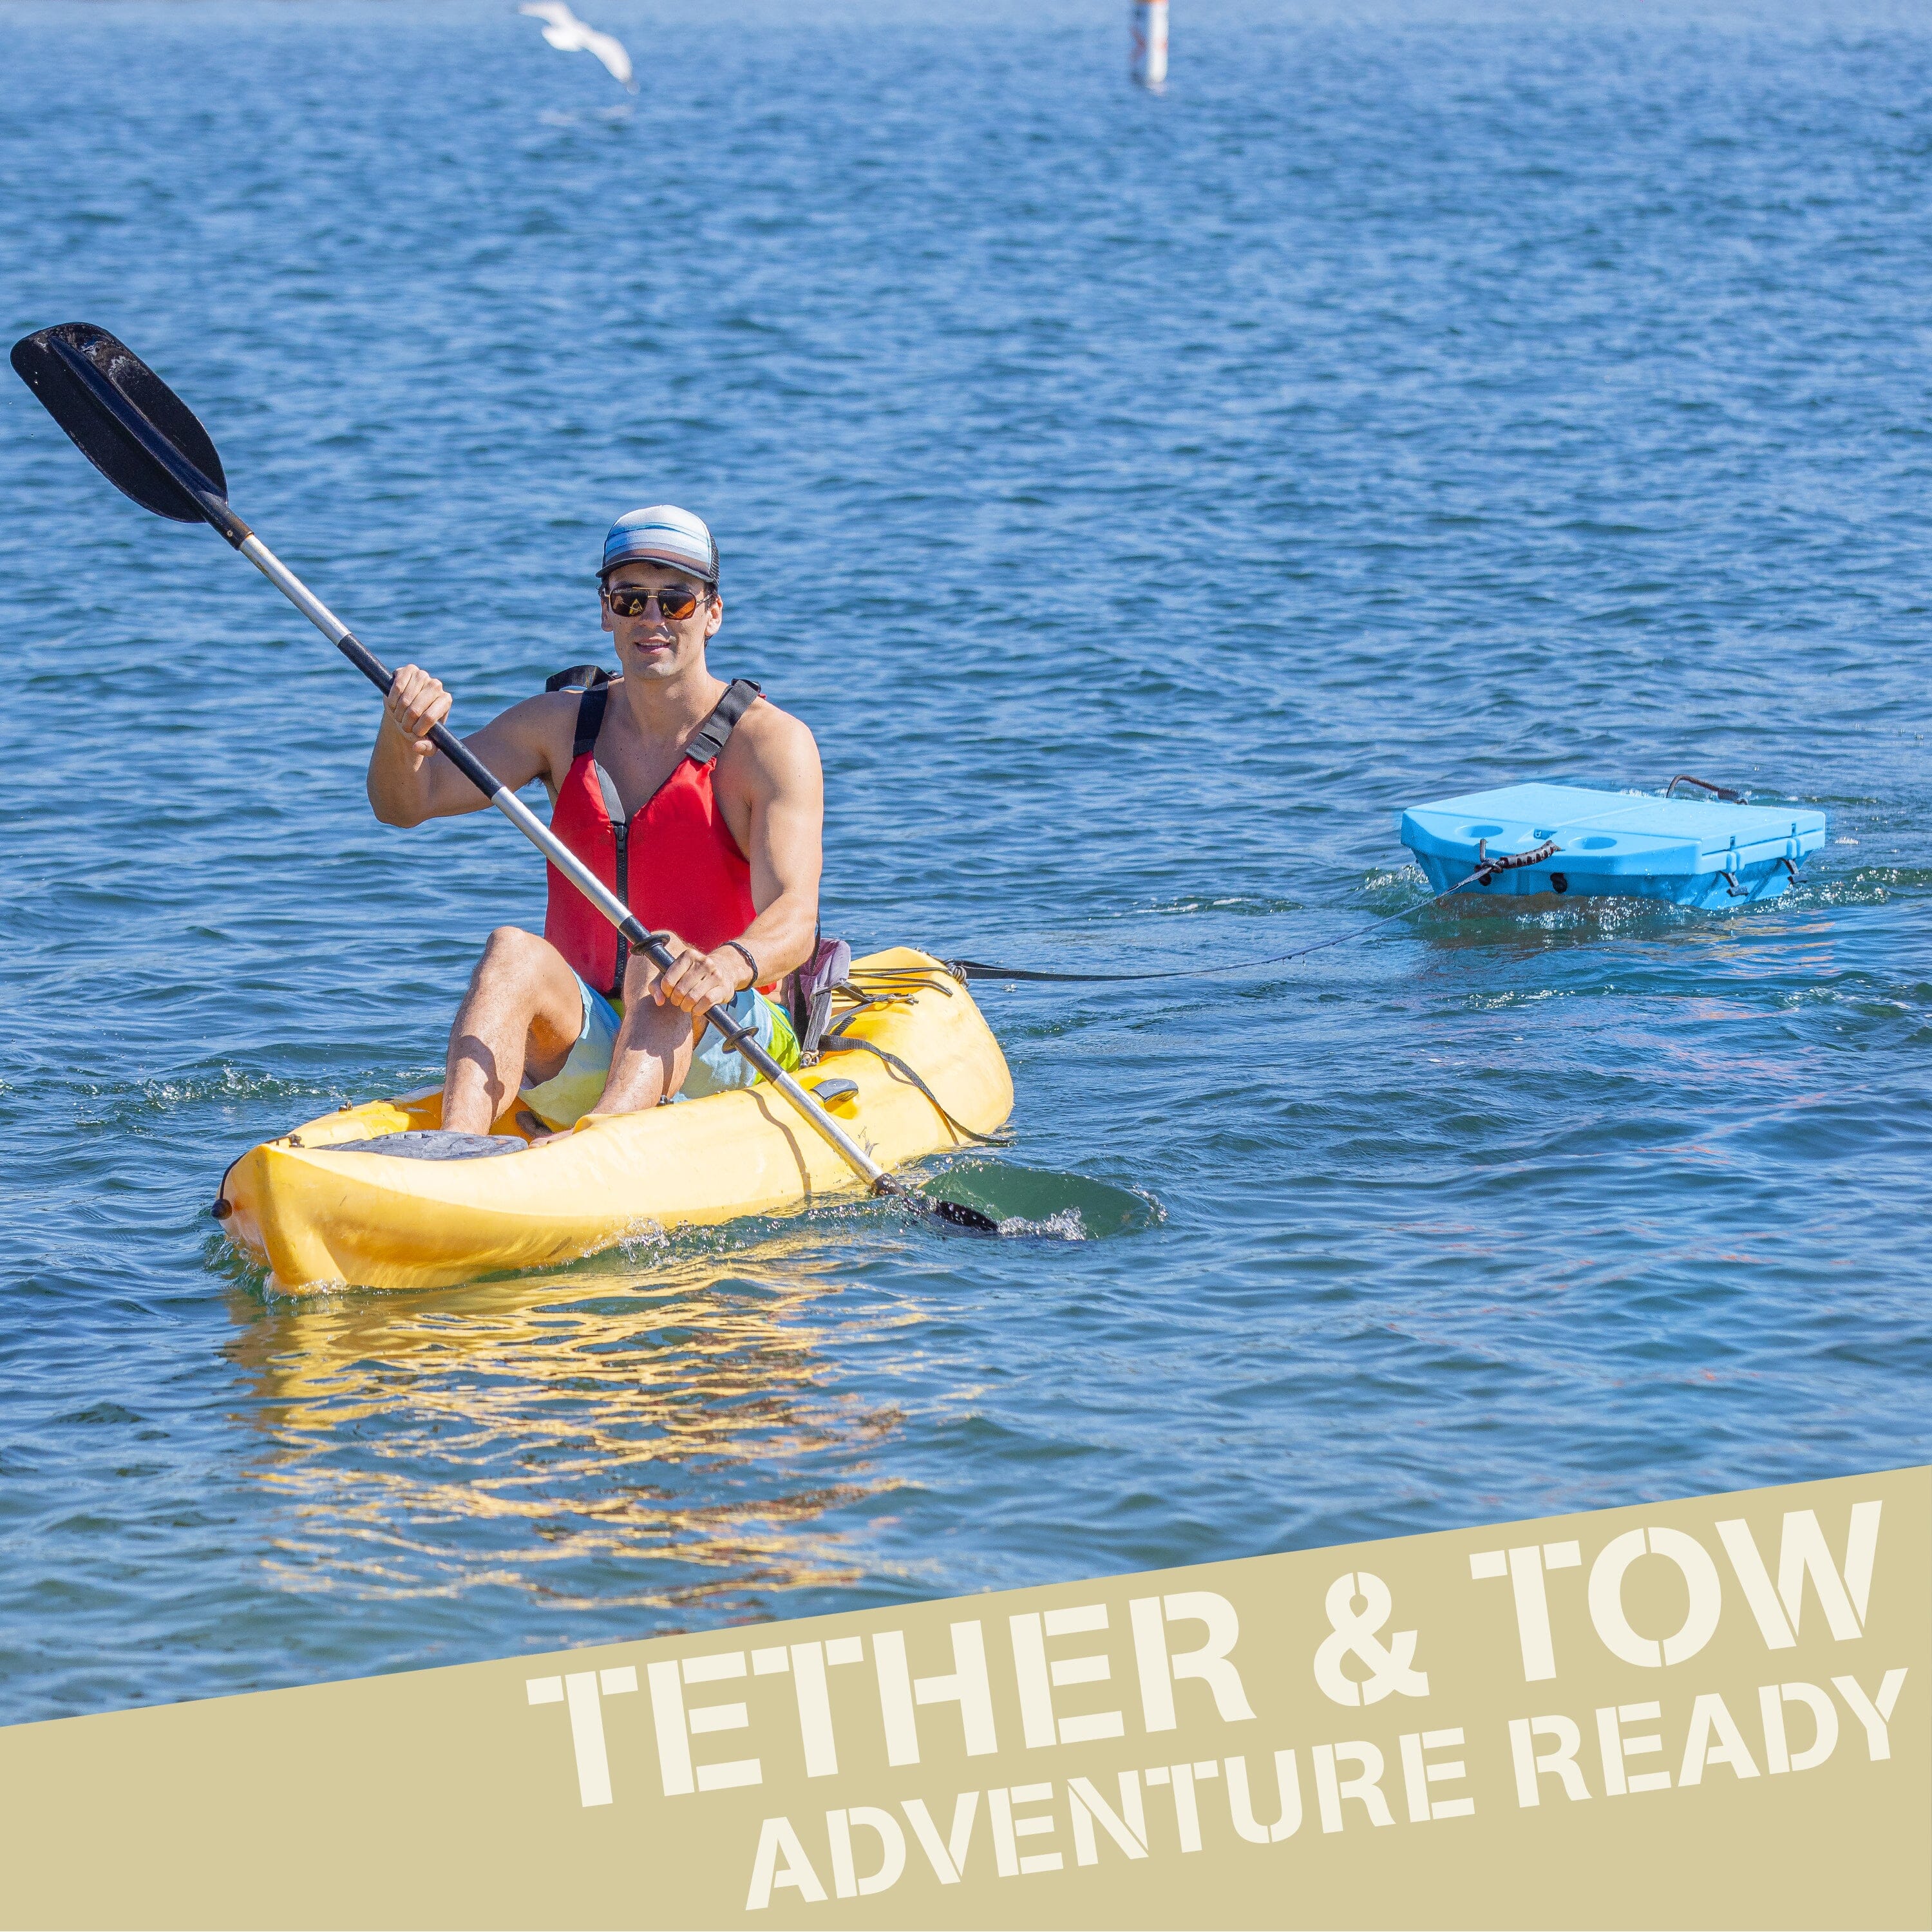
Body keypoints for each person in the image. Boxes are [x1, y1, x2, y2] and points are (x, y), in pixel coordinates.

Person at [365, 506, 824, 1137]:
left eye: (676, 602)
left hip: (727, 1029)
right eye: (631, 601)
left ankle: (601, 1144)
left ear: (713, 612)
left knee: (657, 962)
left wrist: (725, 965)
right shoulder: (560, 724)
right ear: (606, 610)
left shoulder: (771, 744)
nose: (653, 620)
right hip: (589, 1031)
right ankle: (456, 1153)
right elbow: (407, 803)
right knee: (511, 950)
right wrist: (401, 732)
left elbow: (797, 920)